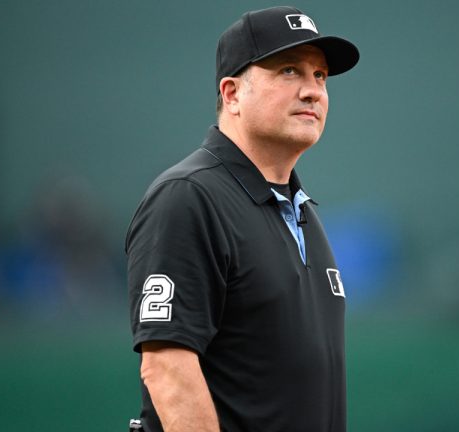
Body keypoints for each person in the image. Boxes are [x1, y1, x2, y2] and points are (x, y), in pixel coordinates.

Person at [125, 6, 359, 432]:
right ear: (231, 94)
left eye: (320, 75)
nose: (312, 91)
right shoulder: (189, 197)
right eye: (289, 71)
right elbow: (166, 368)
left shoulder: (300, 211)